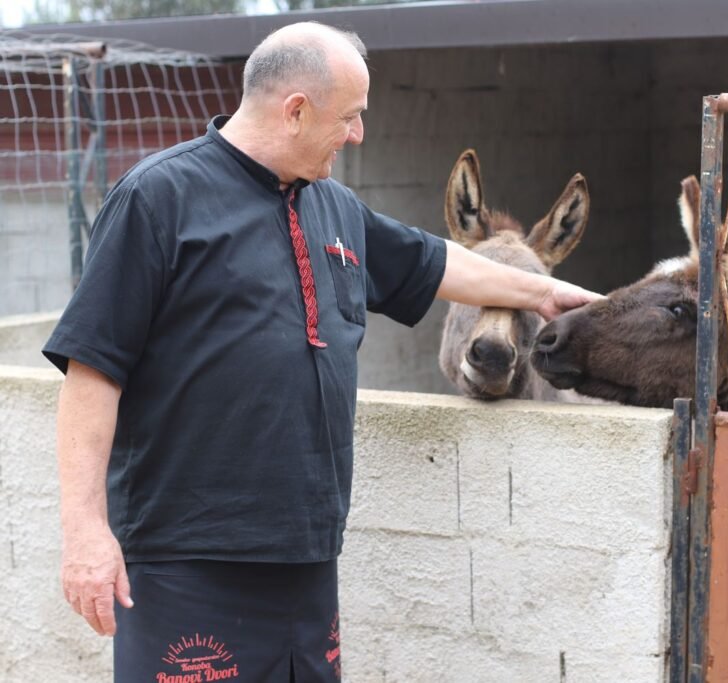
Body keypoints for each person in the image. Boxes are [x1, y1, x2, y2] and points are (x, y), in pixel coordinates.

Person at [44, 22, 599, 682]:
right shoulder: (157, 199)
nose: (358, 133)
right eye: (350, 116)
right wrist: (84, 532)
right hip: (185, 565)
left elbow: (437, 263)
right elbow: (91, 373)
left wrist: (550, 293)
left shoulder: (335, 208)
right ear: (296, 110)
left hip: (306, 566)